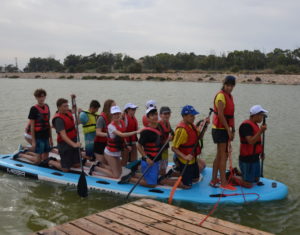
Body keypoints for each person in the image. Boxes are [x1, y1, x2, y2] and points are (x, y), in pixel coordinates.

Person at [90, 106, 140, 178]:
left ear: (120, 114)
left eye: (117, 114)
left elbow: (123, 137)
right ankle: (95, 168)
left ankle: (101, 165)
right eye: (114, 114)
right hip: (110, 153)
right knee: (116, 175)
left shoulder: (122, 122)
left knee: (120, 172)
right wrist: (136, 132)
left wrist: (126, 146)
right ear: (112, 115)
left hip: (117, 152)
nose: (116, 116)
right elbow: (121, 134)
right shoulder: (111, 126)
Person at [121, 107, 163, 187]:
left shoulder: (159, 127)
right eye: (152, 115)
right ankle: (130, 179)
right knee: (152, 184)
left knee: (152, 178)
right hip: (148, 161)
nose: (155, 116)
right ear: (148, 118)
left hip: (156, 160)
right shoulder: (146, 132)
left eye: (156, 114)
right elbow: (138, 145)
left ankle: (134, 174)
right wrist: (146, 158)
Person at [231, 105, 268, 188]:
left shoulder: (255, 125)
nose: (262, 118)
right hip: (247, 159)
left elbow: (257, 142)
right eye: (261, 115)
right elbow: (251, 141)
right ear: (255, 115)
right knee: (249, 185)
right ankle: (232, 177)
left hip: (255, 157)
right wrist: (261, 131)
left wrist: (261, 152)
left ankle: (239, 173)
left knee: (256, 180)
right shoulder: (246, 126)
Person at [171, 105, 208, 189]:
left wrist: (205, 126)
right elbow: (173, 148)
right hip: (184, 160)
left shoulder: (191, 125)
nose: (194, 117)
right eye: (191, 116)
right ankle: (165, 180)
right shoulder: (181, 130)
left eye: (194, 115)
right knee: (187, 186)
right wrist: (185, 156)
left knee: (195, 179)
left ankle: (178, 173)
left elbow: (200, 137)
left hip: (192, 159)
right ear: (184, 116)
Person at [211, 75, 237, 191]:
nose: (230, 88)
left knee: (220, 154)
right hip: (220, 129)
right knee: (223, 155)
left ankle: (213, 179)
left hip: (224, 129)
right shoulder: (221, 96)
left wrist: (233, 130)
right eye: (228, 85)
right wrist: (228, 130)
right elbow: (221, 115)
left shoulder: (229, 96)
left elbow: (231, 115)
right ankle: (223, 182)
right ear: (224, 84)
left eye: (232, 86)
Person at [19, 89, 52, 164]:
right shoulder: (33, 109)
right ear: (36, 98)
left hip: (46, 135)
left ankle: (28, 152)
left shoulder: (47, 106)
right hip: (38, 136)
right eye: (39, 97)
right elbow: (32, 127)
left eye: (43, 96)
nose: (41, 98)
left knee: (45, 158)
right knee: (38, 161)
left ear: (45, 97)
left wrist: (51, 139)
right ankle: (22, 155)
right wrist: (33, 141)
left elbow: (48, 123)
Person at [49, 97, 81, 172]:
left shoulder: (67, 112)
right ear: (59, 107)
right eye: (64, 106)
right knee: (66, 169)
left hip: (73, 139)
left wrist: (73, 99)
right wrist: (74, 145)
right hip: (64, 144)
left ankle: (65, 161)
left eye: (67, 106)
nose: (67, 108)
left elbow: (74, 110)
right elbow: (63, 136)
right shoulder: (58, 119)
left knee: (77, 165)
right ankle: (50, 161)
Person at [94, 99, 116, 164]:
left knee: (108, 163)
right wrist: (108, 134)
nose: (115, 108)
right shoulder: (101, 118)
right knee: (102, 163)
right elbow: (98, 132)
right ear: (108, 107)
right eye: (113, 106)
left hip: (108, 144)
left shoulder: (113, 117)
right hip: (99, 145)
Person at [158, 106, 174, 175]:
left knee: (164, 166)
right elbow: (156, 140)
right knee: (159, 167)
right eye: (165, 114)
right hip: (158, 150)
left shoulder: (168, 123)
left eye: (168, 114)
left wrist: (172, 138)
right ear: (160, 115)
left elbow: (173, 133)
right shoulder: (157, 125)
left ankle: (162, 175)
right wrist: (167, 140)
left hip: (165, 149)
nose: (167, 116)